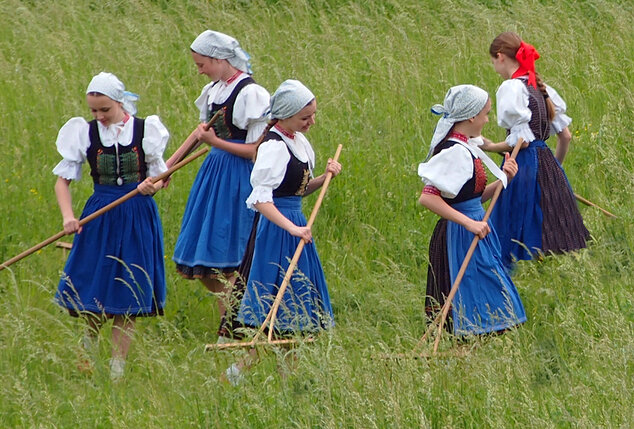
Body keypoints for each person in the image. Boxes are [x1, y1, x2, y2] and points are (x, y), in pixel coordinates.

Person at [53, 72, 170, 380]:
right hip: (100, 214)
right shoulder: (86, 133)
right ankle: (88, 350)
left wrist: (152, 186)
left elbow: (162, 175)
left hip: (137, 215)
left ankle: (117, 368)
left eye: (104, 109)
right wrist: (68, 216)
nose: (99, 116)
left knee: (127, 293)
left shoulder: (146, 130)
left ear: (120, 103)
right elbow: (62, 182)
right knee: (96, 286)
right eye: (94, 110)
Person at [224, 80, 341, 384]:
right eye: (306, 117)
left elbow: (297, 191)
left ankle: (289, 380)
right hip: (277, 232)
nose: (312, 121)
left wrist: (325, 177)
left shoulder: (298, 141)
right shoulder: (273, 146)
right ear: (286, 116)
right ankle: (236, 373)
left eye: (313, 115)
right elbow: (262, 200)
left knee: (294, 312)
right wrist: (292, 228)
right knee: (275, 308)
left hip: (296, 225)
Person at [168, 30, 270, 329]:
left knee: (230, 255)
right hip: (213, 176)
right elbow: (200, 134)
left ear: (220, 59)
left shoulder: (251, 94)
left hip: (239, 178)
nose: (199, 70)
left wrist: (216, 142)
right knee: (205, 261)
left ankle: (234, 321)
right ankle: (234, 314)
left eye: (202, 64)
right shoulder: (214, 90)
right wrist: (167, 168)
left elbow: (255, 150)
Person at [418, 84, 526, 336]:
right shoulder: (454, 152)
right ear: (471, 116)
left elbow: (473, 197)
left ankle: (484, 333)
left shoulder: (468, 147)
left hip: (475, 226)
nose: (488, 119)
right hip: (459, 234)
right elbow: (428, 198)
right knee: (473, 283)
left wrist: (503, 180)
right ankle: (470, 334)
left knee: (488, 279)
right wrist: (468, 223)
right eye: (486, 114)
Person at [482, 32, 589, 269]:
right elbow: (566, 136)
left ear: (500, 57)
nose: (494, 67)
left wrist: (488, 146)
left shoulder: (511, 87)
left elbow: (522, 142)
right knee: (548, 227)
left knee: (509, 225)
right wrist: (555, 172)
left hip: (522, 164)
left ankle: (503, 277)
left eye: (493, 61)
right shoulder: (541, 87)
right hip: (546, 162)